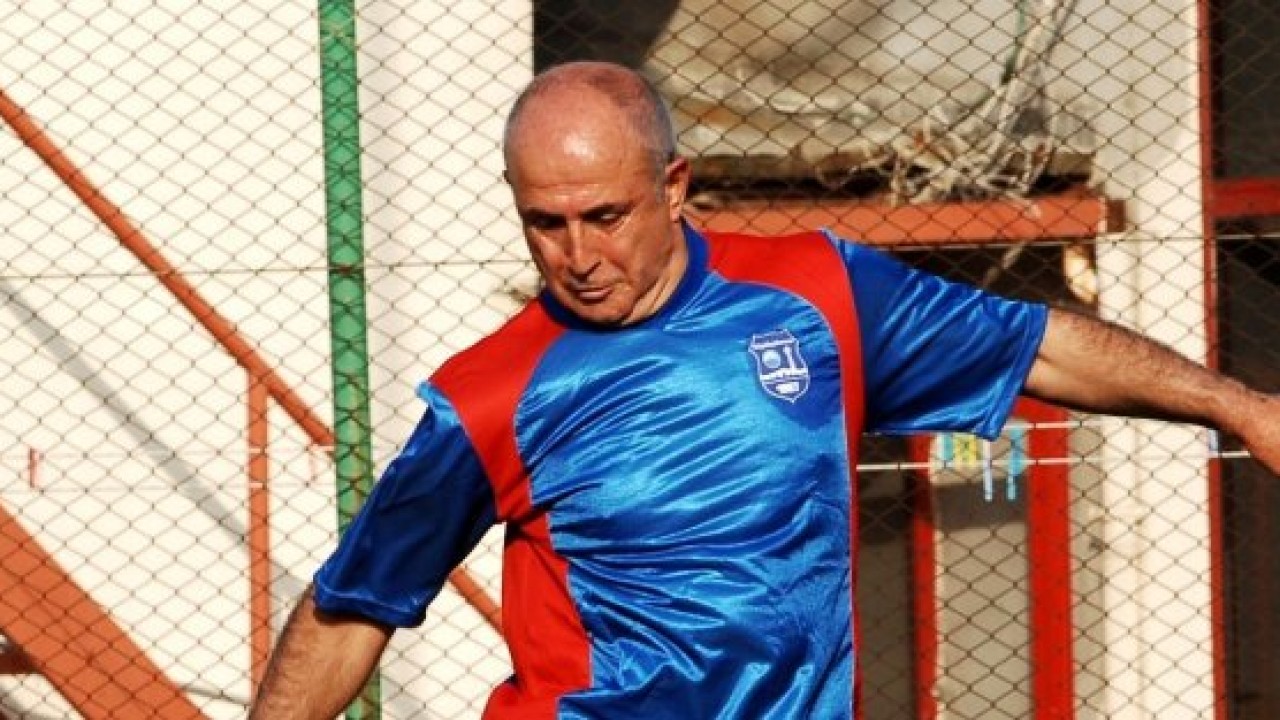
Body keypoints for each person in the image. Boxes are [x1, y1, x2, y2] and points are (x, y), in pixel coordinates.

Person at [248, 61, 1280, 719]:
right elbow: (351, 609)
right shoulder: (491, 396)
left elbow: (1036, 349)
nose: (577, 255)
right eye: (544, 223)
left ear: (674, 186)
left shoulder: (817, 294)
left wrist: (1238, 406)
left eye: (604, 216)